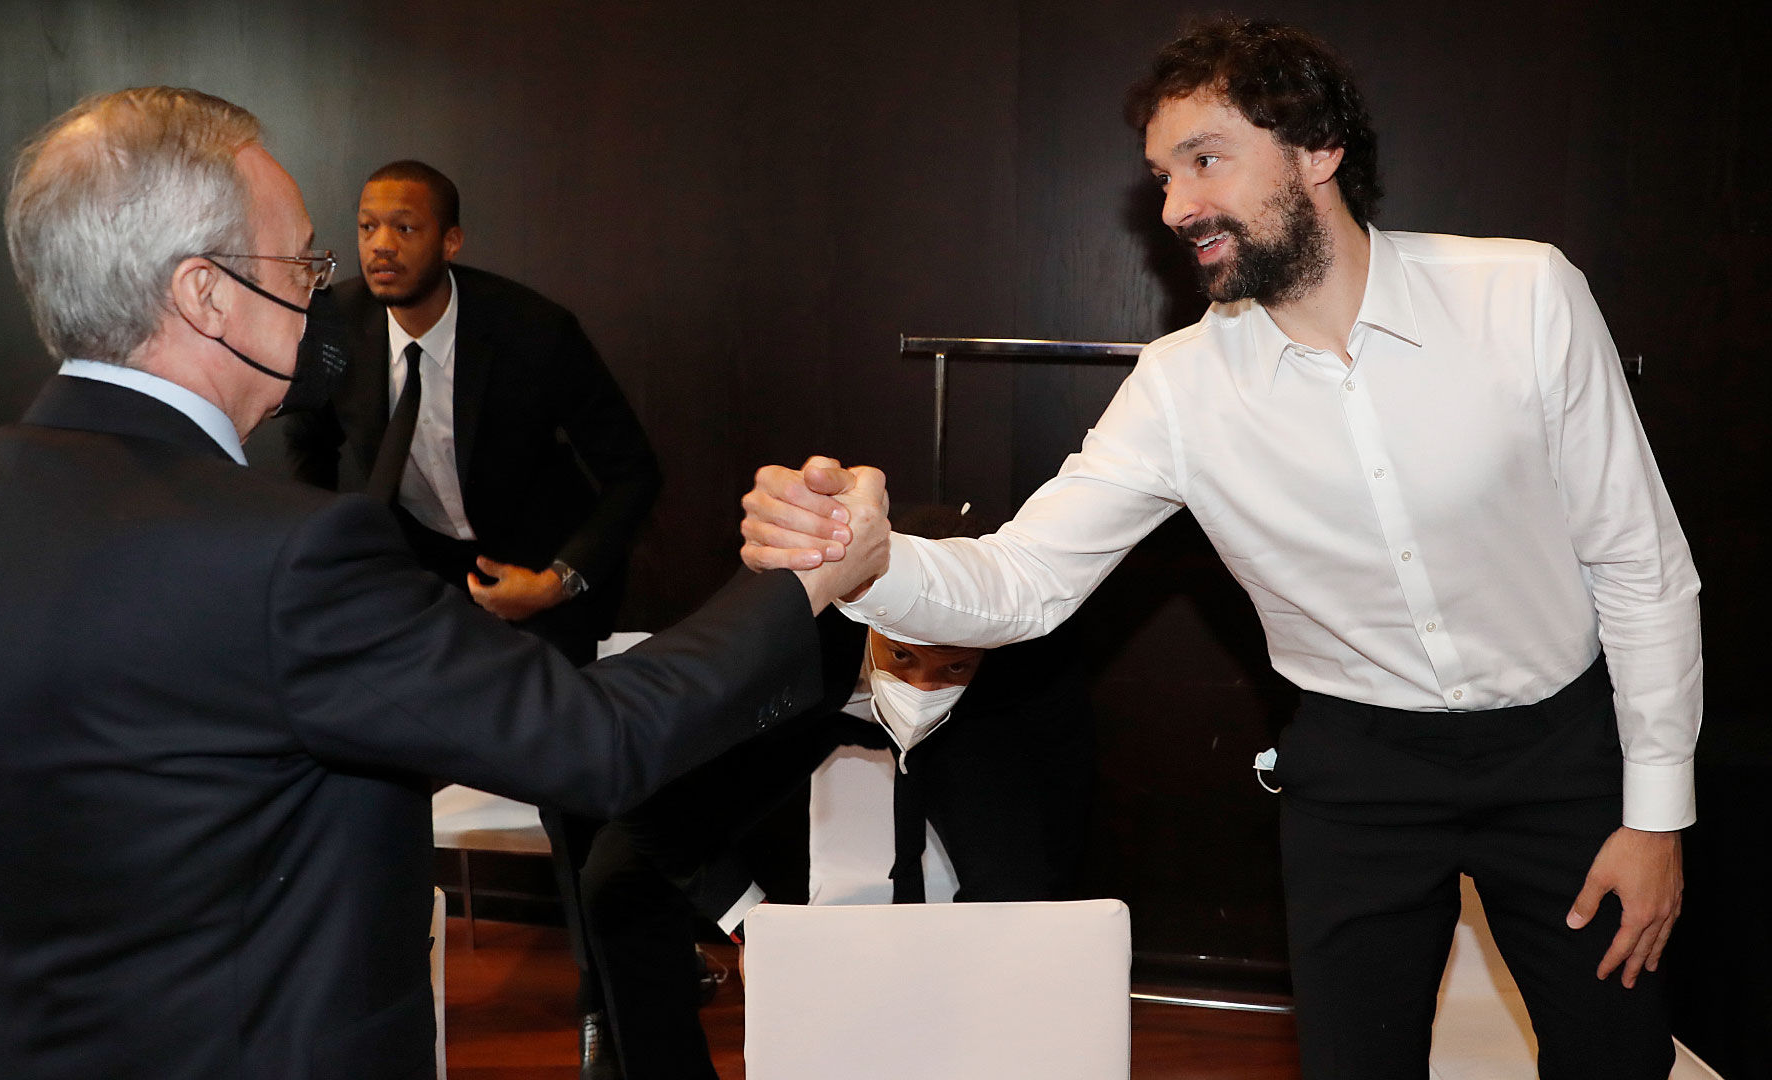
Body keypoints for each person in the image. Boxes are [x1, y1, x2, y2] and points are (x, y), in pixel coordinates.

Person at [0, 86, 888, 1080]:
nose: (319, 284)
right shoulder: (285, 555)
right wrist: (804, 577)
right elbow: (595, 740)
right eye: (300, 257)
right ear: (204, 293)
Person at [740, 17, 1697, 1080]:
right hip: (1356, 773)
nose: (1174, 206)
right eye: (1161, 177)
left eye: (1204, 161)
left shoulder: (1525, 297)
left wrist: (1656, 815)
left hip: (1561, 758)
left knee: (1616, 1058)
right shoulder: (1179, 388)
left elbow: (1641, 564)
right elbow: (1025, 581)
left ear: (1320, 150)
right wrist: (865, 558)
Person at [284, 159, 666, 1076]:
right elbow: (307, 439)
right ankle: (369, 975)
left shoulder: (533, 332)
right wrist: (340, 549)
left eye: (405, 228)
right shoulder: (330, 324)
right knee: (364, 764)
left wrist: (559, 580)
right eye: (369, 226)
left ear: (449, 242)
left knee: (570, 780)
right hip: (414, 566)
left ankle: (608, 992)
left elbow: (633, 473)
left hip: (538, 566)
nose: (380, 245)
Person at [577, 505, 1093, 1078]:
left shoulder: (1030, 642)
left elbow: (1060, 815)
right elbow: (641, 791)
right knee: (615, 874)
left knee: (1014, 907)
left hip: (971, 726)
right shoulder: (780, 624)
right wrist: (752, 922)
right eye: (903, 656)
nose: (922, 685)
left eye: (952, 667)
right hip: (813, 701)